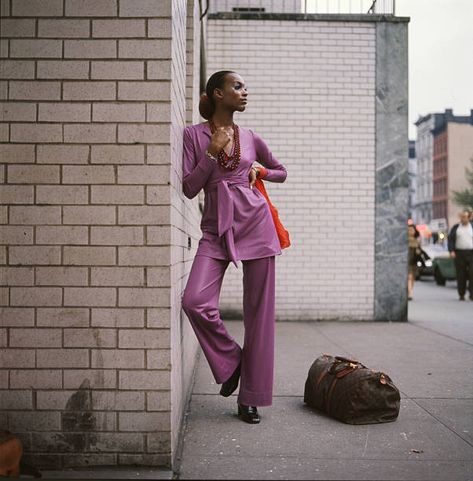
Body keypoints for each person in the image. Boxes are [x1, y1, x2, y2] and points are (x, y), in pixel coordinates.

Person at [180, 70, 288, 424]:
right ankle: (233, 363)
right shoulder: (193, 136)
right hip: (215, 230)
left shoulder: (251, 137)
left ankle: (251, 398)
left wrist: (262, 173)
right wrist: (210, 154)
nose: (245, 91)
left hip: (257, 227)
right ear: (217, 93)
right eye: (237, 86)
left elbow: (281, 170)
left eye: (245, 86)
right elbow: (189, 188)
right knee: (194, 301)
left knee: (258, 317)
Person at [447, 209, 473, 301]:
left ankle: (472, 294)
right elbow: (450, 240)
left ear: (469, 217)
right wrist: (451, 251)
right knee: (461, 274)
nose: (463, 219)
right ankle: (461, 294)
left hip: (471, 253)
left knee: (472, 274)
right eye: (462, 217)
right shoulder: (456, 227)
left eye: (465, 217)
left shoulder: (472, 227)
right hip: (459, 253)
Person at [407, 223, 421, 300]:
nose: (411, 231)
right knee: (409, 277)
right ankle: (410, 293)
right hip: (407, 261)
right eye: (409, 230)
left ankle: (410, 291)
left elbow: (420, 251)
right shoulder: (404, 241)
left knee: (412, 278)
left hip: (414, 261)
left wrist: (418, 251)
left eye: (412, 230)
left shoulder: (417, 241)